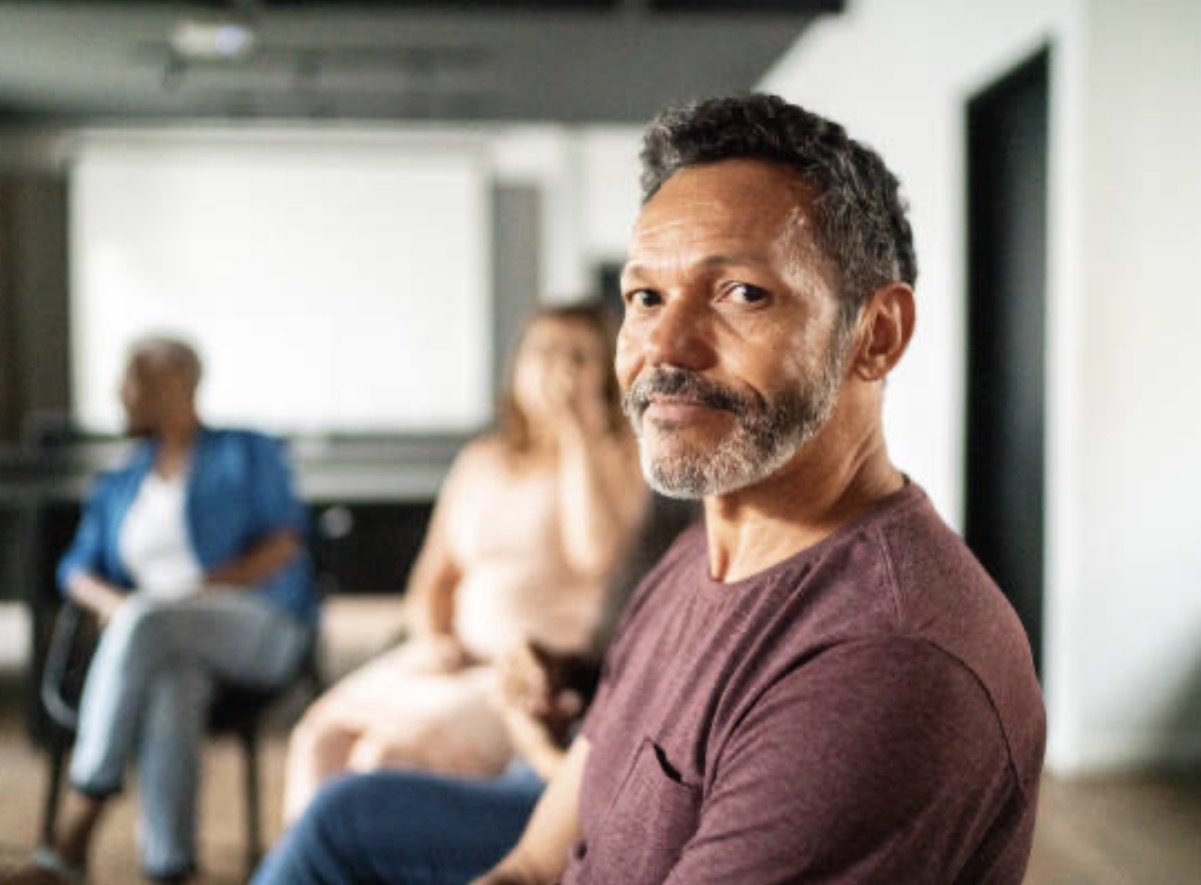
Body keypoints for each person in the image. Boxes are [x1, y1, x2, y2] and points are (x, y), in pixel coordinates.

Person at [476, 94, 1046, 885]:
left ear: (874, 334)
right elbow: (538, 863)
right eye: (645, 297)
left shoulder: (884, 662)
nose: (664, 347)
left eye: (741, 292)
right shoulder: (692, 560)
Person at [280, 303, 647, 825]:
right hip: (452, 659)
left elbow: (600, 559)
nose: (556, 369)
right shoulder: (482, 459)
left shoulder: (619, 458)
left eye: (578, 357)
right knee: (319, 738)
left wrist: (575, 436)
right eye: (542, 353)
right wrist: (433, 639)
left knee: (384, 761)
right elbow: (436, 576)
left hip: (529, 677)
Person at [252, 494, 698, 885]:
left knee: (343, 814)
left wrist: (543, 753)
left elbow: (639, 799)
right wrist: (562, 672)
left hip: (572, 794)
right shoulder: (677, 520)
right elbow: (631, 665)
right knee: (326, 747)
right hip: (563, 752)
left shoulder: (715, 555)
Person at [14, 336, 318, 885]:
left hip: (256, 624)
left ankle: (77, 824)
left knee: (150, 622)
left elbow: (285, 544)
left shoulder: (247, 452)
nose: (120, 394)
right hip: (156, 641)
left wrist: (194, 591)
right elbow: (76, 569)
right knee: (172, 681)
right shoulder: (121, 481)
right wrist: (118, 604)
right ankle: (170, 865)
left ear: (176, 383)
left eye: (133, 381)